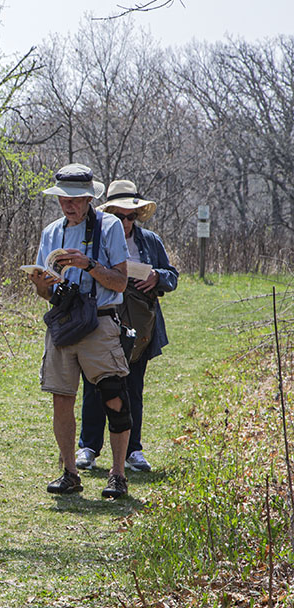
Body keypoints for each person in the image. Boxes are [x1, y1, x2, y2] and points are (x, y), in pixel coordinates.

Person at [27, 164, 132, 500]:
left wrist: (87, 264)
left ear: (89, 198)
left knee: (113, 396)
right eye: (63, 199)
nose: (68, 206)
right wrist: (42, 286)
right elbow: (44, 293)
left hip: (100, 320)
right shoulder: (50, 232)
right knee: (62, 397)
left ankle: (117, 474)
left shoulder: (110, 226)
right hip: (63, 321)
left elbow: (120, 282)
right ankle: (69, 473)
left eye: (75, 199)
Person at [76, 179, 178, 473]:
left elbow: (172, 275)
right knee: (95, 385)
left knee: (133, 386)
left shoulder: (150, 241)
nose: (125, 221)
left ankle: (133, 451)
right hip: (102, 321)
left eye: (130, 216)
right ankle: (89, 447)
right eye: (119, 215)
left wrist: (157, 277)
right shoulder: (94, 237)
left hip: (141, 328)